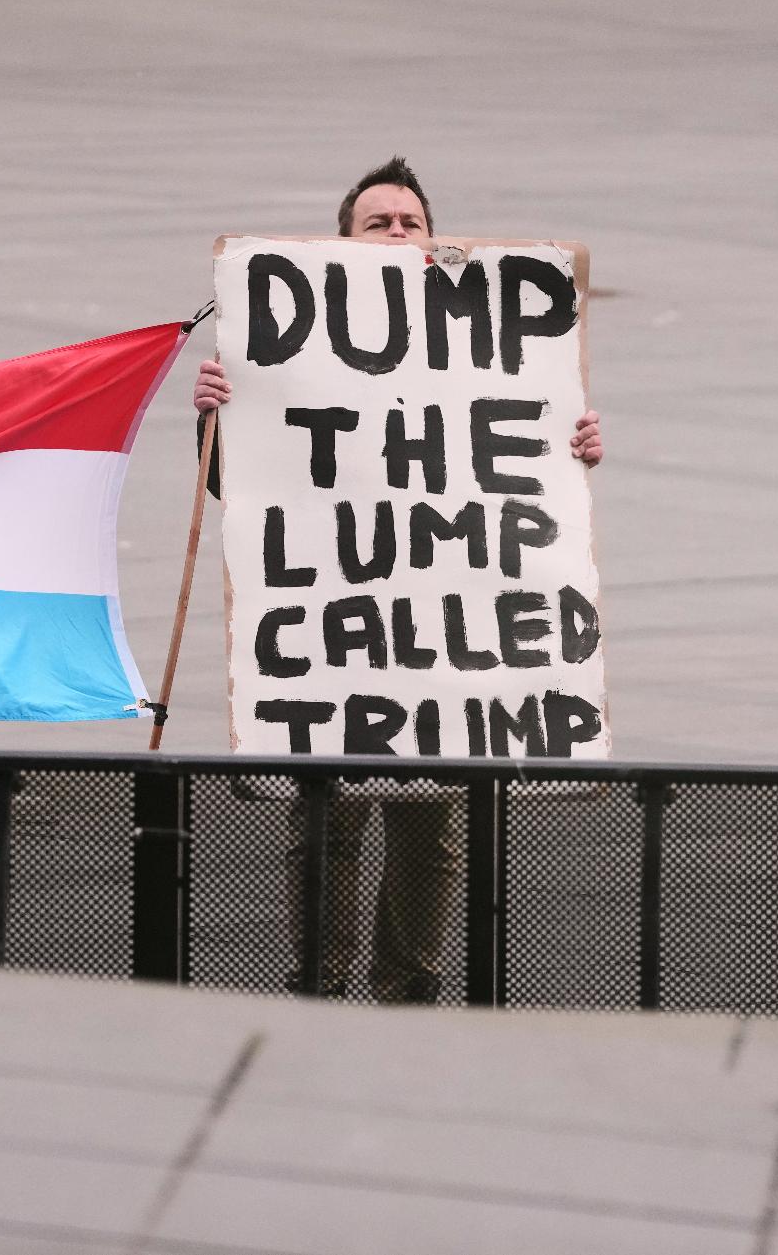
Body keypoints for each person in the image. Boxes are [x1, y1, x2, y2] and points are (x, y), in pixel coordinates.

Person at [196, 157, 604, 1002]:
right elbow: (246, 488)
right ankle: (319, 985)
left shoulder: (486, 351)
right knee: (324, 826)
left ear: (433, 238)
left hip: (436, 646)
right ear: (340, 242)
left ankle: (407, 990)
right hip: (333, 640)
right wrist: (217, 416)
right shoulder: (290, 350)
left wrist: (573, 446)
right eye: (376, 223)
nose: (394, 234)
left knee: (432, 834)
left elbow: (519, 479)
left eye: (408, 223)